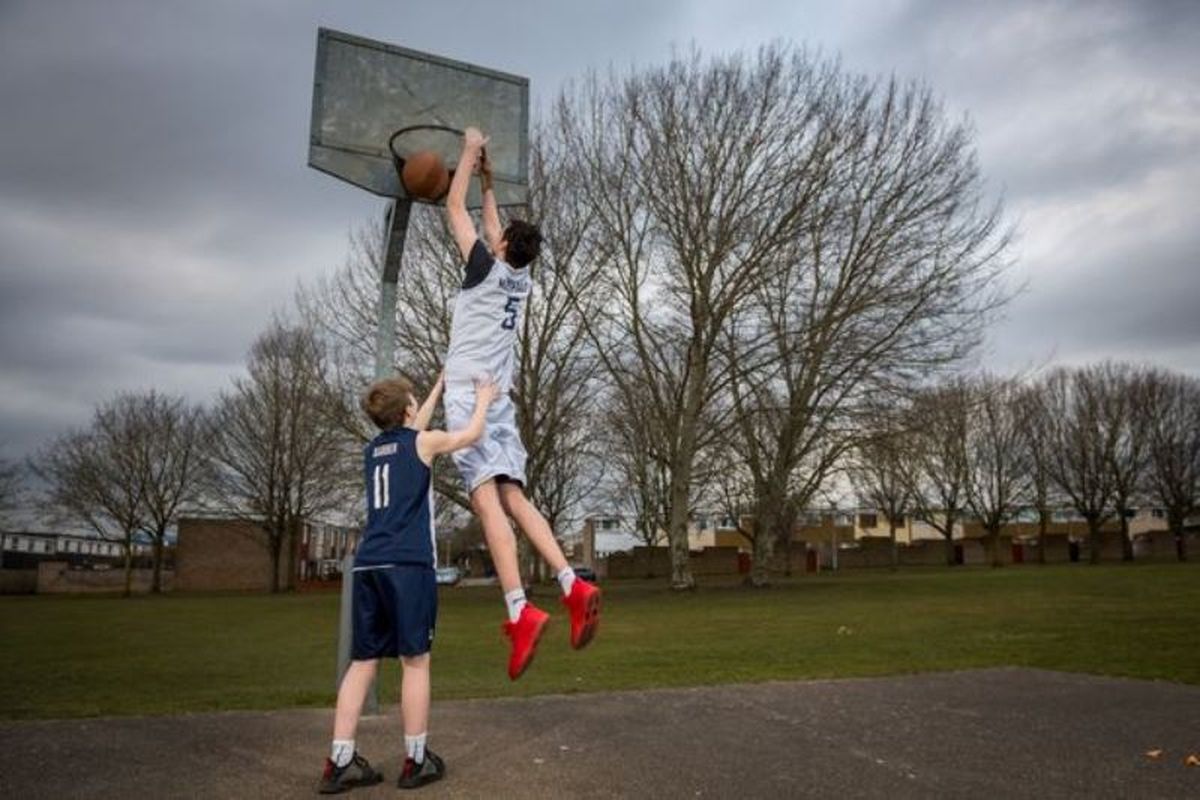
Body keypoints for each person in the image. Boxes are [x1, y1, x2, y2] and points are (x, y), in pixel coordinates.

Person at [443, 127, 601, 680]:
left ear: (503, 247)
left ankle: (519, 609)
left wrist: (467, 154)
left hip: (470, 399)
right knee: (516, 497)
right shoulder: (521, 278)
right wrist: (491, 183)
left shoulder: (486, 269)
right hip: (502, 401)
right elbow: (490, 225)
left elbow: (451, 209)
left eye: (500, 236)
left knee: (488, 503)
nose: (494, 236)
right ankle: (570, 582)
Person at [320, 372, 498, 793]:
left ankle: (339, 760)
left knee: (363, 662)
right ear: (407, 411)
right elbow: (472, 434)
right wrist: (484, 399)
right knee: (415, 661)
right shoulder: (423, 442)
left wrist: (438, 384)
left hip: (368, 565)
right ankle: (416, 760)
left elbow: (413, 429)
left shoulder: (373, 450)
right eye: (416, 402)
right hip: (407, 564)